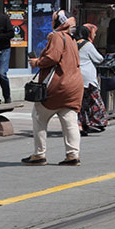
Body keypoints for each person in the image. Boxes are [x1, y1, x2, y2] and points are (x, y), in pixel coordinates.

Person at [22, 10, 84, 166]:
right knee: (70, 120)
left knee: (39, 116)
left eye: (53, 19)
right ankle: (72, 155)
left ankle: (39, 154)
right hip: (74, 86)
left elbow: (52, 57)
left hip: (58, 86)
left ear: (58, 22)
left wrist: (37, 62)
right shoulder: (71, 38)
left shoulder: (57, 37)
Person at [76, 26, 107, 136]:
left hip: (76, 77)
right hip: (88, 78)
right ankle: (99, 122)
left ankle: (81, 125)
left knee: (80, 103)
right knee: (95, 100)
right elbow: (99, 59)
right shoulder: (87, 45)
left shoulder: (73, 43)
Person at [0, 2, 12, 104]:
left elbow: (11, 33)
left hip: (4, 49)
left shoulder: (4, 19)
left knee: (1, 73)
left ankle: (7, 97)